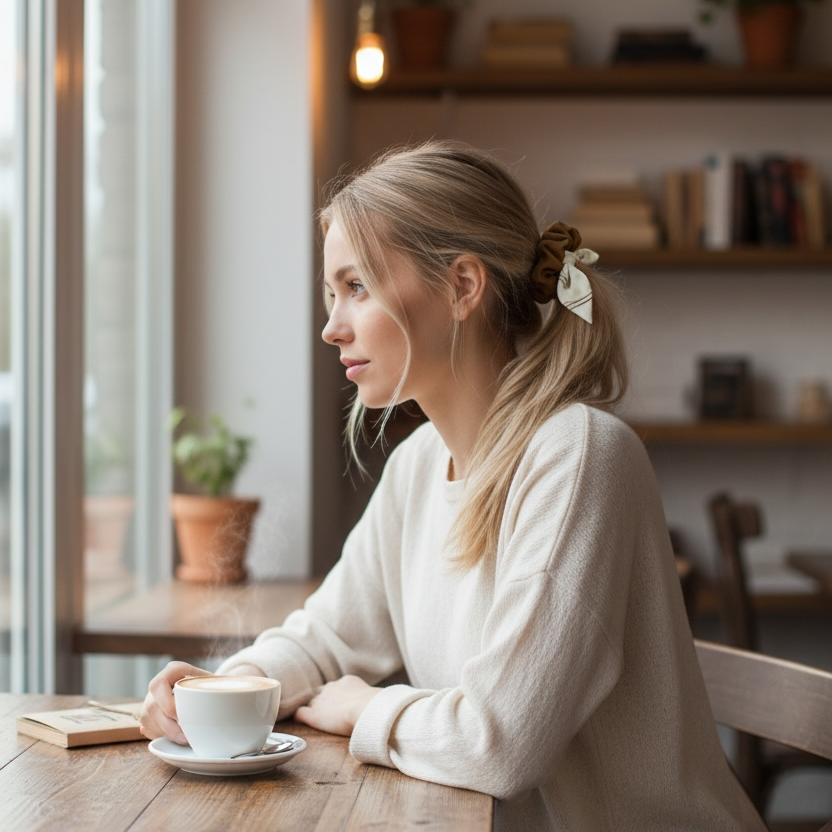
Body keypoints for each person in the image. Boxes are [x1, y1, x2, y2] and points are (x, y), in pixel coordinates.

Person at [140, 141, 764, 831]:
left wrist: (364, 709)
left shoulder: (577, 457)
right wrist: (220, 692)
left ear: (464, 286)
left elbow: (500, 742)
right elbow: (326, 638)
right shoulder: (418, 464)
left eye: (357, 287)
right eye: (330, 293)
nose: (330, 326)